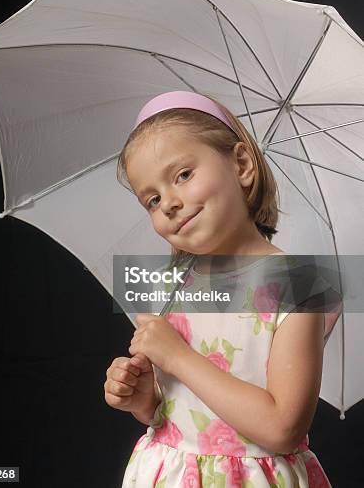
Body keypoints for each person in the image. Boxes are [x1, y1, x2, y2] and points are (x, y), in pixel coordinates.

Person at [104, 91, 340, 487]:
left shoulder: (297, 288)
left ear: (242, 164)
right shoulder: (167, 288)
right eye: (152, 199)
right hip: (170, 475)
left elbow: (283, 428)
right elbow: (175, 409)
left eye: (183, 175)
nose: (169, 204)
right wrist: (144, 400)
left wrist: (177, 357)